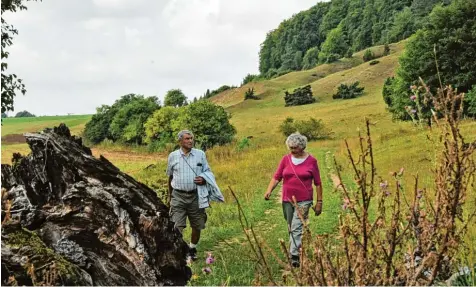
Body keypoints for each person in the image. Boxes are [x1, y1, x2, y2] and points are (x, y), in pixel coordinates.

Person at [264, 133, 323, 268]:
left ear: (302, 147)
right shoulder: (285, 159)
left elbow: (318, 183)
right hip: (287, 200)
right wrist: (269, 190)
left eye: (295, 148)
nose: (292, 150)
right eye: (290, 147)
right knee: (291, 226)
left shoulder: (312, 161)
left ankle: (294, 256)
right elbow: (277, 177)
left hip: (304, 200)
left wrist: (319, 202)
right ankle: (297, 248)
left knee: (296, 226)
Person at [166, 130, 223, 261]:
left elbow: (208, 171)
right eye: (187, 139)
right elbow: (169, 177)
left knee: (197, 225)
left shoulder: (200, 154)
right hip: (178, 196)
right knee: (176, 226)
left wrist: (204, 179)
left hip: (196, 196)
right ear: (180, 141)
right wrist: (170, 197)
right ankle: (179, 251)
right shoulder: (173, 156)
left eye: (191, 138)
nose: (190, 141)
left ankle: (192, 249)